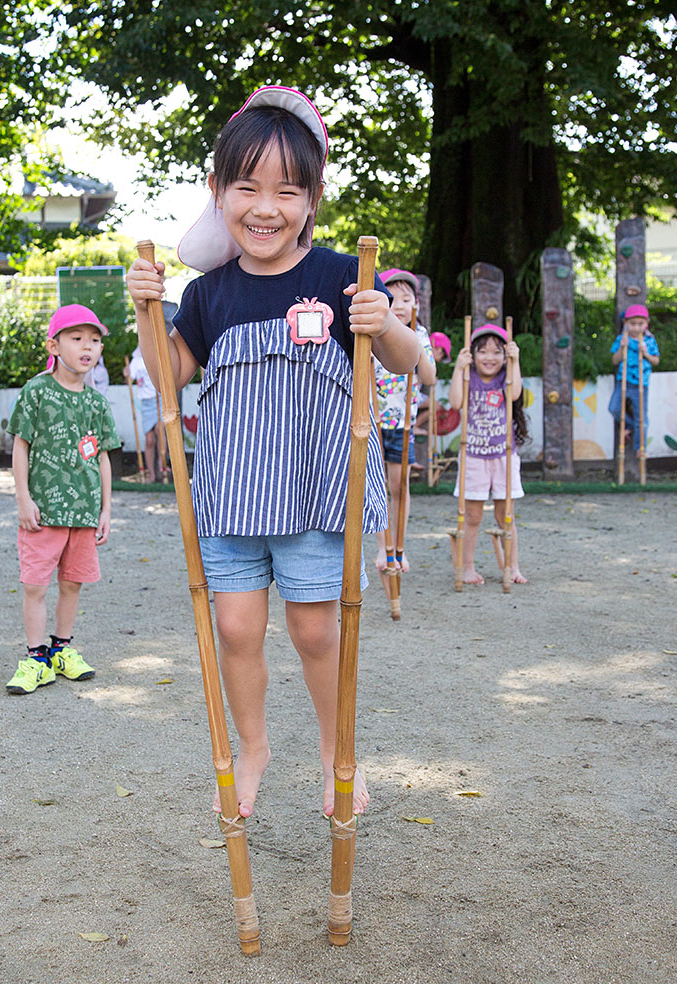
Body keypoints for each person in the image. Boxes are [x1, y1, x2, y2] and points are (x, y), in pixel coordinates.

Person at [126, 86, 419, 819]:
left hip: (317, 495)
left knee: (317, 630)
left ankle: (333, 752)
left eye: (287, 190)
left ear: (312, 198)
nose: (266, 206)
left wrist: (381, 322)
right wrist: (145, 311)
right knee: (234, 627)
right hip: (231, 495)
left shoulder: (337, 277)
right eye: (246, 186)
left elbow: (408, 360)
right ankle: (253, 747)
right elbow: (168, 379)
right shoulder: (208, 293)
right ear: (217, 192)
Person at [5, 304, 122, 694]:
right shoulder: (36, 391)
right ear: (54, 345)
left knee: (73, 585)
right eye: (77, 339)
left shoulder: (97, 402)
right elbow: (21, 446)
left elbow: (103, 456)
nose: (87, 347)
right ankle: (36, 658)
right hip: (43, 512)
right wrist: (23, 497)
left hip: (84, 513)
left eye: (94, 340)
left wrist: (106, 509)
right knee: (35, 586)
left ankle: (61, 650)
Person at [448, 323, 528, 585]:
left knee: (506, 515)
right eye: (482, 351)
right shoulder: (468, 376)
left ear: (504, 356)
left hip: (503, 456)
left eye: (497, 352)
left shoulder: (506, 377)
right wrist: (459, 368)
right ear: (472, 354)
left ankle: (512, 567)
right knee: (472, 516)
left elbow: (514, 394)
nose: (489, 358)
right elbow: (456, 403)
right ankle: (467, 568)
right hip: (473, 455)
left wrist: (515, 362)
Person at [372, 268, 436, 576]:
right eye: (392, 298)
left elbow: (430, 377)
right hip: (371, 423)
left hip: (403, 424)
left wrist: (416, 346)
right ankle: (382, 547)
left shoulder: (419, 335)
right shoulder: (370, 331)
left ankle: (399, 547)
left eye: (406, 299)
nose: (398, 304)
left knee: (400, 485)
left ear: (417, 306)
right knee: (375, 485)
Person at [608, 304, 660, 464]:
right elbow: (614, 360)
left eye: (640, 324)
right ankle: (629, 426)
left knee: (641, 417)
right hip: (623, 381)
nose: (636, 328)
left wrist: (645, 353)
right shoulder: (621, 339)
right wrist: (621, 348)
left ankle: (640, 448)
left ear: (646, 323)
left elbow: (656, 361)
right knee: (614, 408)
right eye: (632, 324)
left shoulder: (649, 340)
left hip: (641, 384)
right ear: (625, 323)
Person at [125, 344, 164, 482]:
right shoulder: (136, 360)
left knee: (161, 431)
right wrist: (127, 375)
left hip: (158, 398)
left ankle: (162, 465)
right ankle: (151, 474)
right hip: (146, 402)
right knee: (149, 440)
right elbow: (130, 380)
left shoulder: (156, 354)